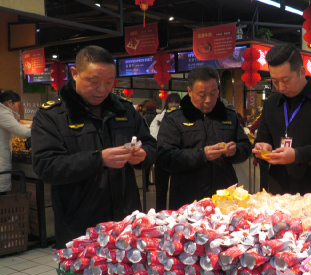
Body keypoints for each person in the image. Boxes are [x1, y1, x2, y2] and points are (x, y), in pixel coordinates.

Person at [32, 46, 157, 248]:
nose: (102, 89)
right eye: (93, 81)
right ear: (74, 73)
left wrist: (143, 155)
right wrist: (99, 159)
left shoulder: (125, 110)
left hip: (126, 220)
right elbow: (46, 166)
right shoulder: (52, 116)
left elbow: (151, 145)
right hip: (80, 226)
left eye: (109, 83)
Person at [252, 44, 311, 195]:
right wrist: (263, 147)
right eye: (275, 81)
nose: (281, 87)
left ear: (301, 72)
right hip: (279, 193)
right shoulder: (271, 104)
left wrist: (297, 155)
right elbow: (262, 138)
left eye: (286, 80)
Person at [157, 65, 252, 210]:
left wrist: (235, 151)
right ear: (189, 91)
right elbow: (165, 157)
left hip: (225, 200)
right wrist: (202, 154)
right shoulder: (174, 118)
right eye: (202, 95)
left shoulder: (229, 116)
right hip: (188, 201)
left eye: (213, 94)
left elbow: (245, 147)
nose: (208, 100)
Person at [150, 93, 181, 211]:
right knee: (161, 191)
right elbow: (153, 135)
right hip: (161, 158)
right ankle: (160, 214)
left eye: (176, 102)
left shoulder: (183, 118)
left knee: (176, 189)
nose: (173, 105)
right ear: (167, 103)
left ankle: (176, 213)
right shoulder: (158, 118)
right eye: (171, 102)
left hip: (177, 158)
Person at [0, 90, 31, 195]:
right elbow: (23, 133)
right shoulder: (3, 113)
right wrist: (39, 129)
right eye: (18, 105)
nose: (18, 108)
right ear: (9, 103)